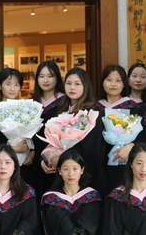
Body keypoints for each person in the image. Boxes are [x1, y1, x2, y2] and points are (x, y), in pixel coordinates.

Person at [43, 67, 107, 196]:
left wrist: (62, 159)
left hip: (81, 176)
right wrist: (44, 160)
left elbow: (91, 147)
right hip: (59, 174)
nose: (72, 87)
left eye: (77, 84)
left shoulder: (92, 112)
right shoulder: (58, 110)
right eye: (69, 83)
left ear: (85, 86)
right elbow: (48, 140)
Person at [97, 64, 144, 192]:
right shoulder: (96, 108)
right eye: (109, 80)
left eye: (118, 80)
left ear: (124, 84)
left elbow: (142, 134)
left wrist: (131, 146)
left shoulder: (133, 107)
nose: (113, 84)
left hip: (125, 161)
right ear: (102, 83)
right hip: (100, 164)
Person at [0, 68, 35, 173]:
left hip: (24, 167)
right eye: (8, 84)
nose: (12, 88)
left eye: (16, 85)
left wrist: (32, 152)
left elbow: (33, 138)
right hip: (2, 168)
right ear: (0, 86)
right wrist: (11, 149)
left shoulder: (27, 112)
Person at [31, 61, 66, 197]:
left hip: (59, 161)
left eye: (50, 76)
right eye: (41, 76)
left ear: (57, 78)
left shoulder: (65, 103)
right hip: (35, 163)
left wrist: (59, 158)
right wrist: (39, 160)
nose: (45, 80)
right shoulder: (31, 104)